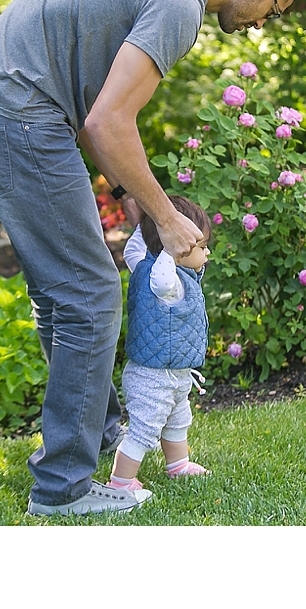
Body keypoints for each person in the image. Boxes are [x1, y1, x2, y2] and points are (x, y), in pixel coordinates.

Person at [0, 0, 306, 516]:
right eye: (274, 9)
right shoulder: (178, 3)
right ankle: (62, 489)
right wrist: (167, 218)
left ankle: (108, 436)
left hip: (1, 107)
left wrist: (129, 194)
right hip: (20, 116)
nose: (263, 22)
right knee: (89, 296)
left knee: (63, 296)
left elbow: (93, 112)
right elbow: (109, 122)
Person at [108, 195, 216, 491]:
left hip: (174, 373)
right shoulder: (167, 282)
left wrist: (150, 223)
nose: (207, 254)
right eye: (202, 247)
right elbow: (164, 279)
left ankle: (178, 464)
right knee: (144, 431)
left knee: (178, 420)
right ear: (178, 248)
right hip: (154, 378)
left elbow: (133, 247)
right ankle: (121, 481)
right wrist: (169, 242)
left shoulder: (143, 264)